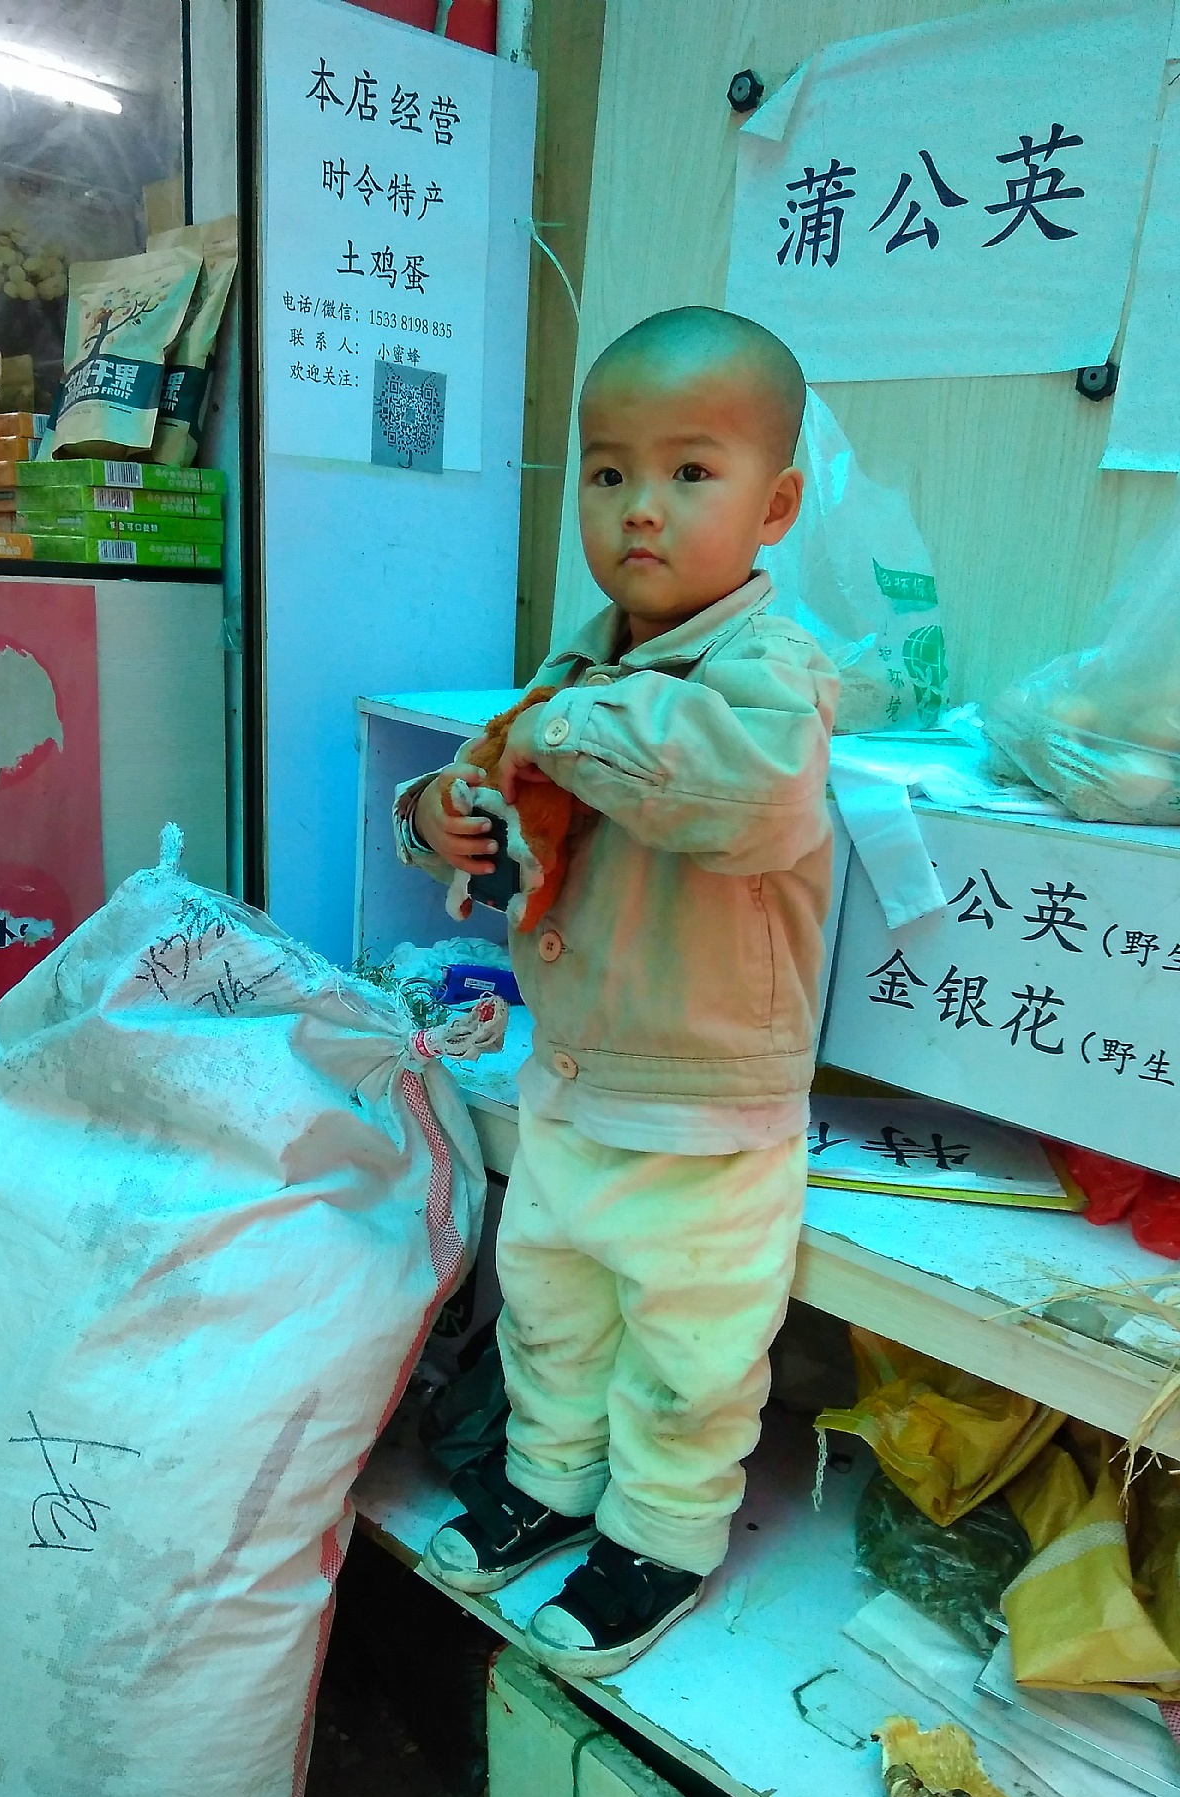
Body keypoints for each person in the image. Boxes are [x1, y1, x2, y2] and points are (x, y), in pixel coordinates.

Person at [393, 306, 838, 1678]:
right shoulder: (579, 664)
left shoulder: (772, 673)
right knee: (552, 1305)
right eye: (607, 472)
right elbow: (491, 773)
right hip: (575, 1074)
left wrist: (556, 729)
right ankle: (549, 1477)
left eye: (690, 472)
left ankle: (662, 1536)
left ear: (775, 506)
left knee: (691, 1350)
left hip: (706, 1110)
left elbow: (744, 797)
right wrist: (440, 813)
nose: (641, 507)